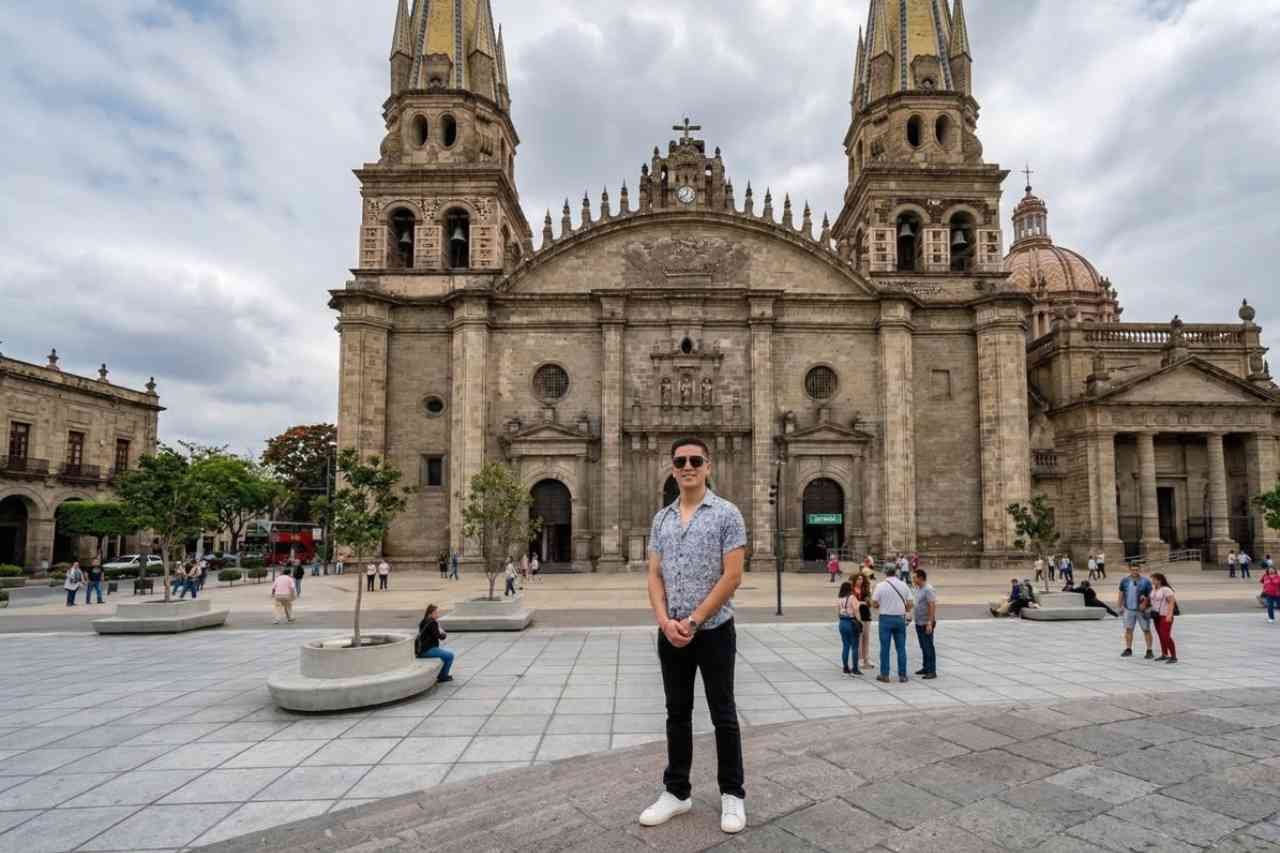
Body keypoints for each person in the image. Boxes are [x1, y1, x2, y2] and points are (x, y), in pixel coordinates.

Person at [638, 437, 747, 836]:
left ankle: (732, 794)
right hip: (671, 633)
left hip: (714, 630)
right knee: (677, 713)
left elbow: (732, 576)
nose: (688, 467)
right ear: (673, 468)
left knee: (723, 714)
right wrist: (665, 621)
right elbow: (654, 574)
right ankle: (676, 791)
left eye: (695, 461)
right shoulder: (661, 519)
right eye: (681, 461)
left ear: (708, 466)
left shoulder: (727, 514)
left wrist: (695, 620)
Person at [871, 566, 913, 683]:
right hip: (900, 618)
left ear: (885, 572)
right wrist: (905, 609)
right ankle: (902, 675)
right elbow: (910, 602)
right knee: (901, 648)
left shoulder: (880, 586)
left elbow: (874, 603)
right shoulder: (903, 585)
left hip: (885, 618)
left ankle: (885, 674)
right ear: (895, 572)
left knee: (885, 648)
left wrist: (881, 606)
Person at [1117, 565, 1154, 659]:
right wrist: (1119, 606)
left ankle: (1149, 650)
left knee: (1146, 629)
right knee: (1128, 629)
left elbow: (1151, 594)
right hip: (1128, 609)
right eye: (1133, 570)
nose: (1135, 571)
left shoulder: (1145, 581)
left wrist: (1145, 603)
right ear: (1130, 570)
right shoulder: (1125, 580)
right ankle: (1128, 649)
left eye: (1136, 569)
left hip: (1142, 610)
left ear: (1139, 570)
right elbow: (1121, 593)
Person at [416, 603, 454, 682]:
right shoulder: (432, 623)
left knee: (444, 656)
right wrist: (444, 634)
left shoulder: (424, 621)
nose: (437, 614)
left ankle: (441, 674)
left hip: (421, 649)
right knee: (450, 656)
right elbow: (439, 636)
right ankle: (443, 676)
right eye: (435, 613)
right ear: (430, 613)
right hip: (427, 650)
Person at [912, 569, 937, 680]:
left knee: (928, 646)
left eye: (915, 577)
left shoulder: (928, 589)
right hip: (919, 621)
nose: (913, 579)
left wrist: (929, 622)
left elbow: (932, 605)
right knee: (923, 646)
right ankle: (926, 667)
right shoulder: (918, 589)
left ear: (921, 578)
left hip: (926, 622)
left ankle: (932, 670)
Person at [1149, 572, 1178, 663]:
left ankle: (1173, 656)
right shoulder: (1154, 589)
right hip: (1156, 615)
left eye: (1154, 579)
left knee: (1166, 635)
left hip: (1165, 615)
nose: (1152, 581)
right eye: (1152, 579)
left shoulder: (1166, 589)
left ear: (1159, 580)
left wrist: (1169, 614)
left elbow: (1171, 602)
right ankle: (1164, 654)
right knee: (1161, 635)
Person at [836, 581, 861, 676]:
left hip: (842, 622)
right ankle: (855, 668)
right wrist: (859, 622)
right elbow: (856, 610)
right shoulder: (852, 598)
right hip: (851, 622)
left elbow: (838, 612)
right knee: (855, 646)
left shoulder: (840, 599)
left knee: (845, 645)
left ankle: (845, 667)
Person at [851, 573, 873, 670]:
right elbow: (852, 604)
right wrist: (862, 603)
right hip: (856, 617)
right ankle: (859, 659)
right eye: (858, 579)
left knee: (866, 638)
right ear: (854, 580)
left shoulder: (866, 591)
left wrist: (867, 601)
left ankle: (866, 659)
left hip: (866, 615)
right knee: (858, 638)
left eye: (862, 579)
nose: (860, 581)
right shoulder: (851, 591)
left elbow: (870, 604)